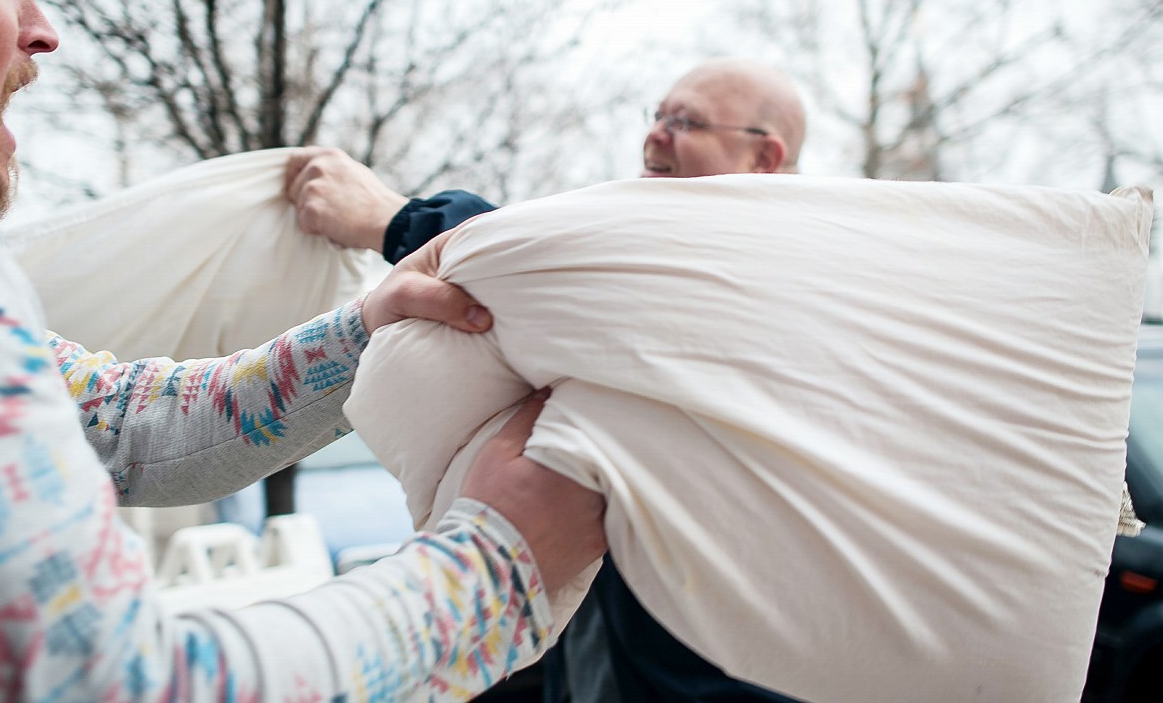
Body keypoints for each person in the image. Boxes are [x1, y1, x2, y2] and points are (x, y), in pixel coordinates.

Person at [0, 0, 606, 701]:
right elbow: (101, 682)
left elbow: (126, 424)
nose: (42, 28)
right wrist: (495, 574)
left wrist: (364, 336)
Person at [286, 57, 808, 702]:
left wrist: (395, 221)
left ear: (765, 156)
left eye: (686, 122)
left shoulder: (769, 279)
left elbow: (571, 285)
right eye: (657, 115)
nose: (655, 136)